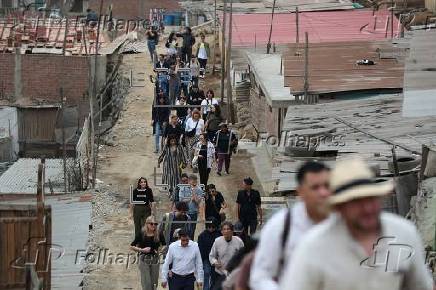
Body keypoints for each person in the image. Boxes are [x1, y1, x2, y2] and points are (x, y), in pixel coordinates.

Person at [280, 157, 435, 290]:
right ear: (339, 207)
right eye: (357, 202)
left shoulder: (403, 233)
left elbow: (421, 285)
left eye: (371, 199)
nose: (367, 208)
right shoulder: (314, 247)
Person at [250, 161, 331, 290]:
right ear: (300, 191)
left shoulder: (343, 223)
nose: (323, 193)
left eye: (327, 186)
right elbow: (260, 277)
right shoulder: (281, 225)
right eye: (315, 187)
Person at [130, 216, 165, 290]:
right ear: (147, 224)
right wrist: (142, 250)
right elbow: (132, 246)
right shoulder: (142, 233)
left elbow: (164, 245)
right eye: (151, 224)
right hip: (143, 259)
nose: (154, 226)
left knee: (154, 281)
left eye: (155, 224)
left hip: (155, 259)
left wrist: (160, 250)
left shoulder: (159, 233)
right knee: (146, 281)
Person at [209, 222, 245, 290]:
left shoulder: (239, 241)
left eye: (228, 229)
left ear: (232, 231)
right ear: (221, 231)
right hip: (220, 273)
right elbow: (211, 256)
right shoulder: (217, 241)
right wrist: (215, 262)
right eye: (224, 229)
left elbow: (243, 256)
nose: (226, 231)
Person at [178, 174, 205, 238]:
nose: (194, 184)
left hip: (193, 213)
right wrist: (189, 199)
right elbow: (181, 200)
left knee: (192, 230)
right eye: (193, 182)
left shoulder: (199, 189)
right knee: (184, 230)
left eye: (195, 182)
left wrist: (193, 192)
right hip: (184, 212)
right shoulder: (183, 188)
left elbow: (198, 201)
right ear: (189, 181)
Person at [198, 217, 222, 290]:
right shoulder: (202, 235)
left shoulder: (219, 234)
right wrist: (201, 261)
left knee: (214, 275)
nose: (211, 229)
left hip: (216, 259)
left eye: (213, 227)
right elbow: (200, 249)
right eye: (209, 227)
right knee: (207, 273)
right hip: (206, 258)